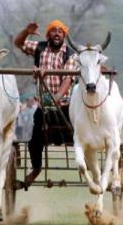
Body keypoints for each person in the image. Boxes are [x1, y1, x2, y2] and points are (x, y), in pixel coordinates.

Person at [14, 20, 77, 187]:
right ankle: (36, 169)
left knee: (80, 136)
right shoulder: (39, 48)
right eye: (53, 31)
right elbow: (18, 43)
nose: (57, 33)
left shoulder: (70, 54)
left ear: (64, 35)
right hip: (44, 106)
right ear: (48, 34)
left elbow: (69, 79)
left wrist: (55, 99)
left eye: (60, 31)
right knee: (35, 140)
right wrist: (26, 31)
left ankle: (87, 166)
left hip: (64, 107)